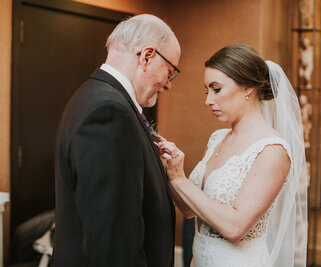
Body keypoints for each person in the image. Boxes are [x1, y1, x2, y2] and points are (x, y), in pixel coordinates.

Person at [160, 45, 307, 266]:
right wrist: (171, 171)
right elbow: (189, 210)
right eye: (206, 90)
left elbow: (235, 227)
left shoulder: (272, 150)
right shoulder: (217, 138)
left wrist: (181, 180)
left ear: (247, 88)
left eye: (216, 89)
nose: (208, 100)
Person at [53, 14, 180, 266]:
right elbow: (113, 242)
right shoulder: (110, 112)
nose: (167, 84)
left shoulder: (93, 95)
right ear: (146, 56)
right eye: (170, 71)